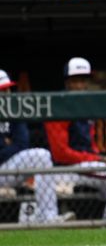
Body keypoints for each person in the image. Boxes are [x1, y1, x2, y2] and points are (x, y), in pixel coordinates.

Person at [44, 57, 106, 220]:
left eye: (83, 81)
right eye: (75, 81)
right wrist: (96, 158)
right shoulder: (58, 105)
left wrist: (97, 156)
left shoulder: (87, 105)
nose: (80, 86)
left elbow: (90, 144)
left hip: (86, 167)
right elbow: (60, 153)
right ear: (67, 82)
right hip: (63, 169)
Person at [0, 68, 71, 224]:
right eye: (1, 91)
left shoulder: (14, 109)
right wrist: (7, 144)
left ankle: (48, 217)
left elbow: (22, 143)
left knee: (41, 156)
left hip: (8, 168)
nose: (6, 94)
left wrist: (5, 146)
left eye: (8, 89)